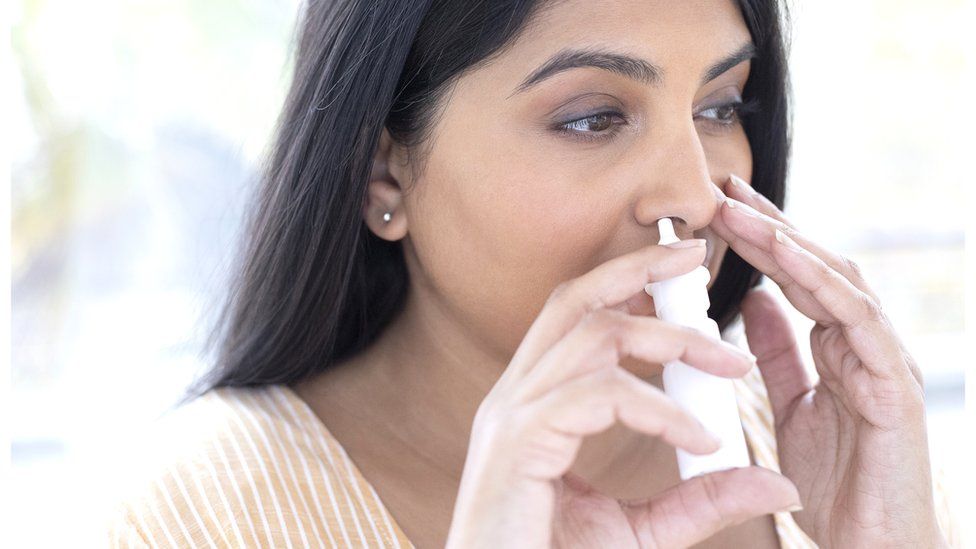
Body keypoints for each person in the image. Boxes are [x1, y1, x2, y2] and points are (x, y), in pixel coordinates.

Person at [105, 0, 961, 547]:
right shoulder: (207, 514)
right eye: (592, 118)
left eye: (719, 106)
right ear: (384, 177)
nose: (693, 194)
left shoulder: (824, 455)